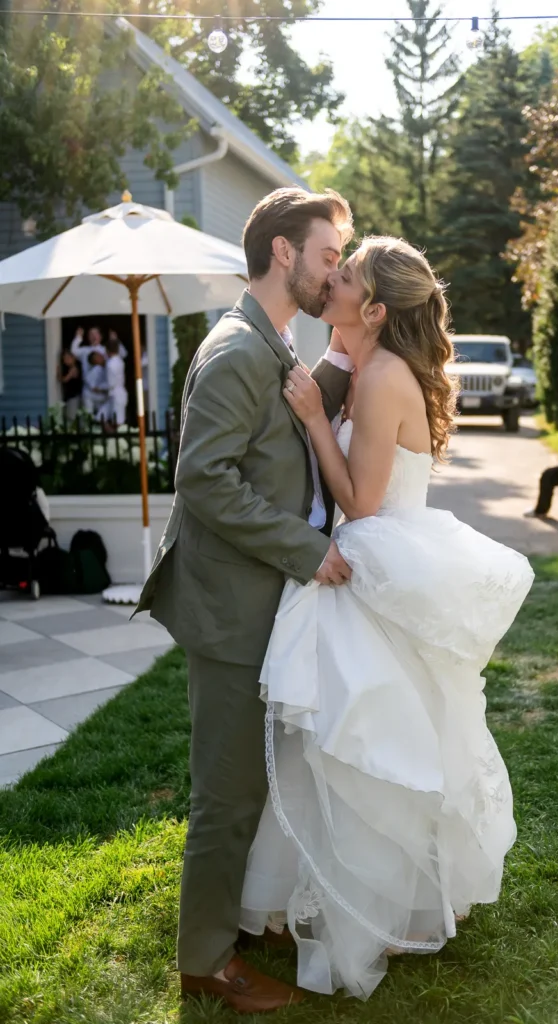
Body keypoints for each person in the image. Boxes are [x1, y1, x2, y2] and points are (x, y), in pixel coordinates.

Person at [239, 237, 535, 999]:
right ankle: (320, 894)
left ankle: (360, 904)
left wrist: (310, 417)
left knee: (361, 749)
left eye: (345, 278)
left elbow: (361, 503)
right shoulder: (371, 362)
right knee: (368, 742)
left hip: (375, 557)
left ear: (374, 309)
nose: (330, 280)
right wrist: (334, 353)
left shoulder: (382, 379)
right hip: (387, 555)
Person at [135, 187, 356, 1014]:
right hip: (230, 613)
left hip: (264, 606)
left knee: (253, 785)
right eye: (328, 256)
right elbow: (203, 482)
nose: (334, 271)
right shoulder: (235, 350)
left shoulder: (276, 342)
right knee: (224, 794)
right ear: (283, 254)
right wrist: (308, 550)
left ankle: (230, 923)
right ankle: (205, 961)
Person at [104, 335, 128, 425]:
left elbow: (111, 383)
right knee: (102, 416)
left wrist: (99, 388)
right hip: (120, 392)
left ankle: (115, 436)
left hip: (115, 394)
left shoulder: (110, 364)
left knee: (117, 422)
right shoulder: (120, 361)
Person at [82, 350, 109, 417]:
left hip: (102, 396)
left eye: (99, 355)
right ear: (94, 362)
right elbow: (93, 387)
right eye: (96, 358)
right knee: (89, 417)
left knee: (103, 416)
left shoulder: (109, 363)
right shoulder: (96, 370)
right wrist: (102, 389)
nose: (100, 357)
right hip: (90, 396)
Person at [57, 348, 82, 420]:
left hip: (74, 396)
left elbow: (64, 380)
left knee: (71, 417)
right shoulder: (69, 368)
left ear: (73, 358)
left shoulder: (74, 368)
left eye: (68, 358)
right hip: (70, 396)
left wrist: (58, 373)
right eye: (64, 359)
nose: (66, 361)